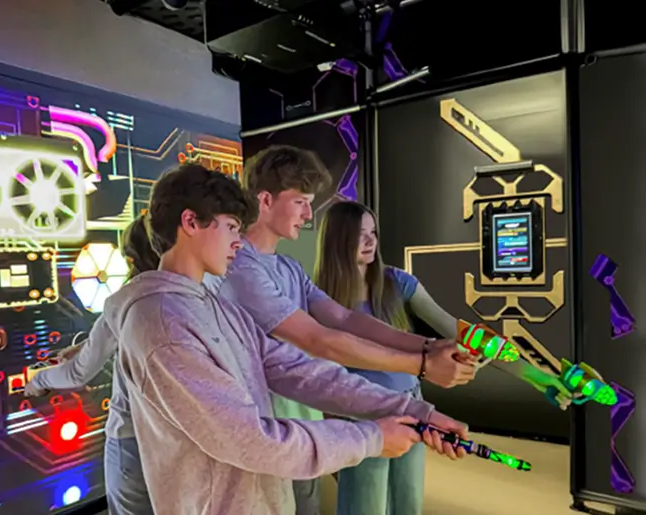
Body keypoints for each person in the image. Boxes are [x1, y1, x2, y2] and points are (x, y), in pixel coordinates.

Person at [108, 163, 469, 515]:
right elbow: (248, 439)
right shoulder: (162, 323)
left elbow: (300, 369)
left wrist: (412, 410)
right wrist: (372, 436)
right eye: (232, 227)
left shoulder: (218, 307)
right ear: (190, 222)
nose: (238, 241)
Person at [203, 145, 477, 514]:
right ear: (265, 200)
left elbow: (346, 319)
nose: (307, 213)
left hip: (302, 421)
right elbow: (318, 339)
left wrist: (428, 347)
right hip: (262, 428)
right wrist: (423, 365)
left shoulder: (287, 268)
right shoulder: (242, 268)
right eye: (300, 201)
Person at [314, 200, 575, 515]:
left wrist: (536, 375)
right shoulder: (317, 299)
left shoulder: (398, 283)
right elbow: (315, 375)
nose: (371, 242)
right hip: (360, 418)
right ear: (337, 238)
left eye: (373, 233)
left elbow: (468, 335)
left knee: (408, 505)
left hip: (411, 406)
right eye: (360, 234)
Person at [25, 214, 158, 515]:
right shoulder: (179, 296)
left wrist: (39, 381)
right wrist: (82, 346)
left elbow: (78, 372)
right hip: (167, 440)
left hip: (130, 441)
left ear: (128, 257)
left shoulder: (125, 299)